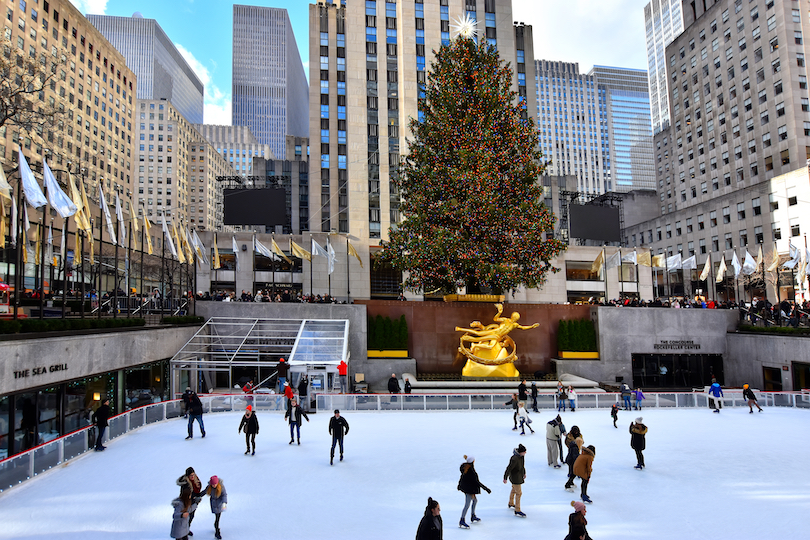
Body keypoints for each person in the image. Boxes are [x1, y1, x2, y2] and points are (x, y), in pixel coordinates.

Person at [457, 455, 490, 528]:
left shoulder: (467, 468)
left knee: (475, 501)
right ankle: (462, 520)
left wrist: (459, 485)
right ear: (473, 461)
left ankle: (473, 515)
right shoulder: (470, 471)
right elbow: (476, 482)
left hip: (469, 489)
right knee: (467, 504)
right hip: (469, 490)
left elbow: (462, 478)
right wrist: (486, 489)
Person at [503, 444, 527, 517]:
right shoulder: (514, 459)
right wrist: (505, 477)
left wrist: (524, 473)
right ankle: (517, 509)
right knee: (519, 493)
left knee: (514, 489)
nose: (525, 453)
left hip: (519, 476)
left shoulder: (521, 457)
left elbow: (522, 466)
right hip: (515, 478)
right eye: (524, 452)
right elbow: (509, 468)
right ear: (520, 452)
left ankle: (511, 503)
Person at [178, 467, 203, 535]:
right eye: (191, 475)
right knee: (186, 517)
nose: (192, 476)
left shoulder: (196, 480)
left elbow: (198, 489)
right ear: (188, 476)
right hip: (187, 502)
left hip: (194, 502)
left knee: (191, 516)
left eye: (193, 475)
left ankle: (187, 529)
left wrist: (197, 498)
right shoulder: (185, 484)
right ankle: (183, 531)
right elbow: (184, 494)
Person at [564, 426, 584, 492]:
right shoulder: (574, 447)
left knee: (573, 473)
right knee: (573, 473)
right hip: (571, 460)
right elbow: (575, 456)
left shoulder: (577, 441)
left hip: (570, 459)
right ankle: (567, 485)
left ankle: (571, 482)